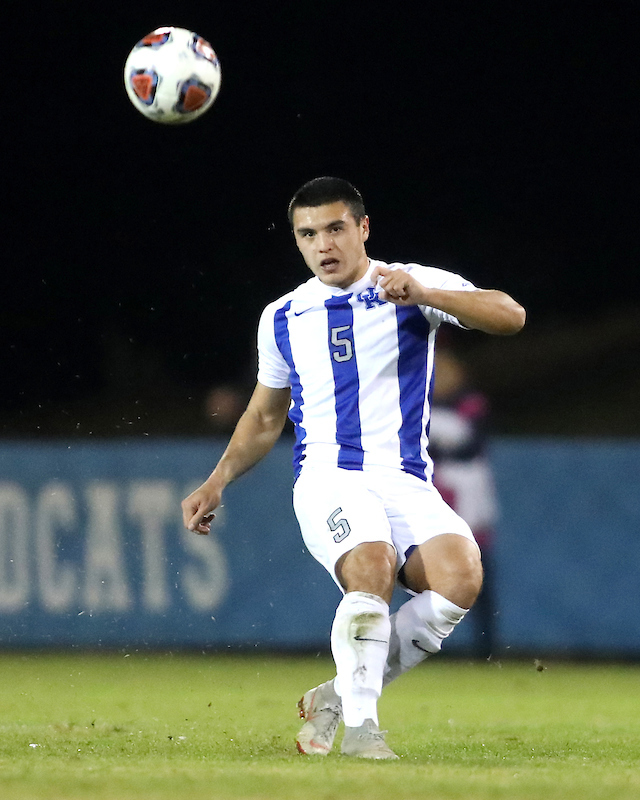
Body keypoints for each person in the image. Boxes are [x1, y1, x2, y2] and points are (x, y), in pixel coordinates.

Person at [180, 177, 525, 759]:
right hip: (327, 477)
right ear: (297, 241)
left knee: (461, 578)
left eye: (335, 228)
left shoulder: (409, 284)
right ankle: (363, 730)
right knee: (372, 565)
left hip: (403, 478)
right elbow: (265, 418)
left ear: (363, 228)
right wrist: (216, 481)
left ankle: (339, 694)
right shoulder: (283, 317)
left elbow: (509, 315)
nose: (324, 244)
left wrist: (427, 295)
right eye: (308, 233)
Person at [428, 344, 500, 658]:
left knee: (479, 565)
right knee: (424, 568)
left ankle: (487, 646)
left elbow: (469, 441)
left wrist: (437, 428)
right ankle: (422, 643)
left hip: (470, 488)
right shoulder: (419, 401)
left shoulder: (470, 402)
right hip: (434, 486)